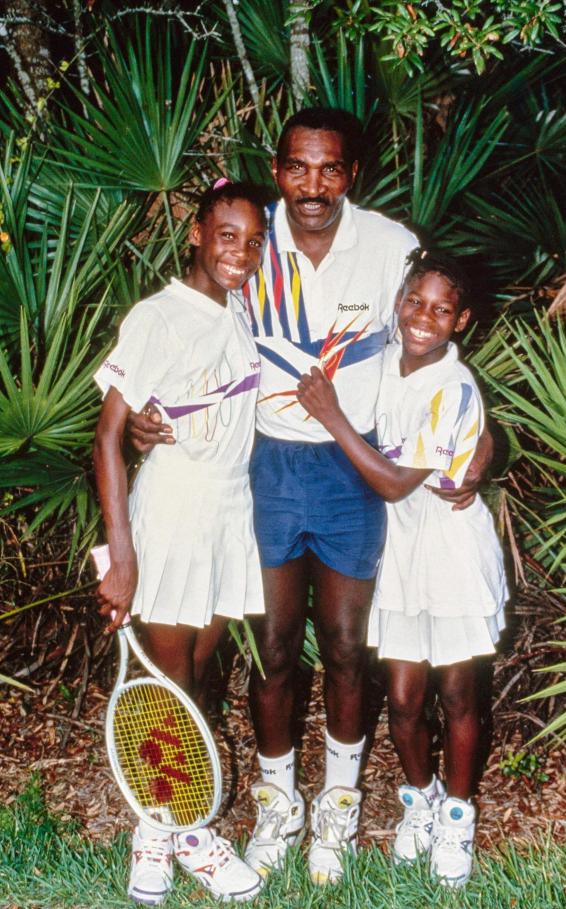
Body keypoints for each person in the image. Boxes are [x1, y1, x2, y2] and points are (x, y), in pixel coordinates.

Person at [126, 108, 493, 886]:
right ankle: (277, 805)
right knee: (276, 649)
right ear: (279, 167)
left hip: (355, 472)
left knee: (351, 649)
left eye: (329, 168)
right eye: (298, 167)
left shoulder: (392, 247)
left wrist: (483, 446)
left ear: (350, 172)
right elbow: (190, 345)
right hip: (267, 467)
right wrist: (145, 423)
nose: (313, 185)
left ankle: (337, 806)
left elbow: (435, 352)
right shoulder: (252, 238)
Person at [296, 250, 508, 888]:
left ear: (461, 320)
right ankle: (420, 799)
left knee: (459, 693)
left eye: (442, 310)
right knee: (405, 696)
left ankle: (458, 817)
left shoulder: (456, 386)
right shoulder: (382, 359)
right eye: (416, 302)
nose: (425, 318)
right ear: (399, 302)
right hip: (399, 551)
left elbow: (392, 482)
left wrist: (328, 414)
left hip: (449, 551)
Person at [92, 182, 269, 906]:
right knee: (171, 692)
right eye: (227, 235)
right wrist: (122, 555)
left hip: (230, 516)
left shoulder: (243, 310)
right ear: (196, 233)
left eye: (254, 240)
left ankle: (166, 824)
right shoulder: (156, 316)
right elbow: (107, 438)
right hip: (169, 514)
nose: (241, 252)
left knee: (194, 675)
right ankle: (169, 833)